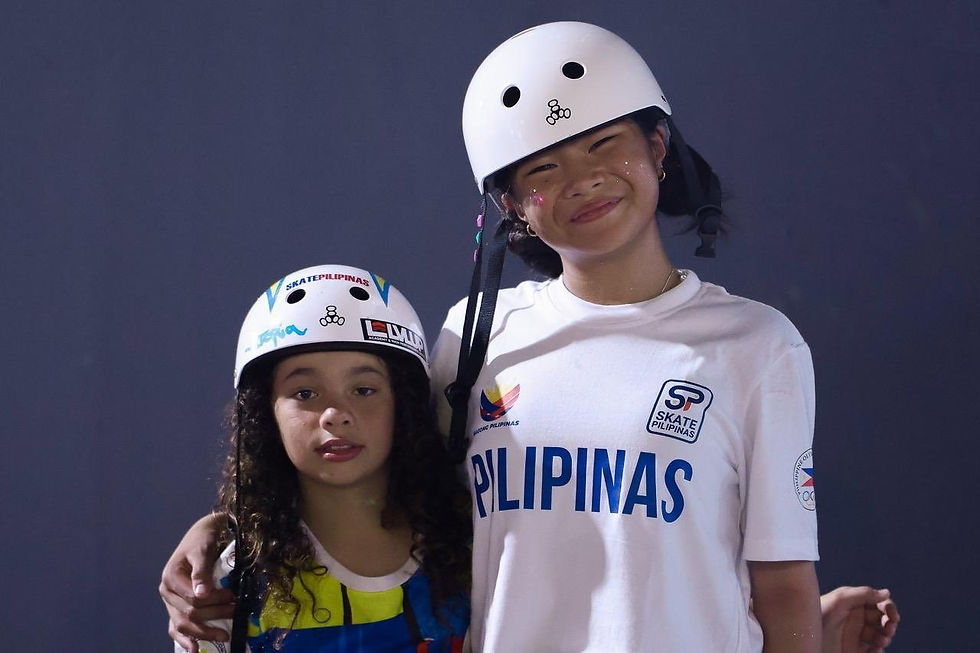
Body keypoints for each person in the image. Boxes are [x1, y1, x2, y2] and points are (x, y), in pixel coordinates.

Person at [161, 22, 900, 653]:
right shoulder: (474, 336)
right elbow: (369, 478)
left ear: (659, 145)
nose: (582, 179)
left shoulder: (757, 345)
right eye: (543, 166)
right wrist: (221, 528)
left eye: (604, 144)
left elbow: (781, 581)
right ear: (511, 205)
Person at [172, 264, 470, 652]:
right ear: (265, 416)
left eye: (364, 389)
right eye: (305, 393)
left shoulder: (469, 550)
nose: (335, 413)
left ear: (405, 405)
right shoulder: (229, 582)